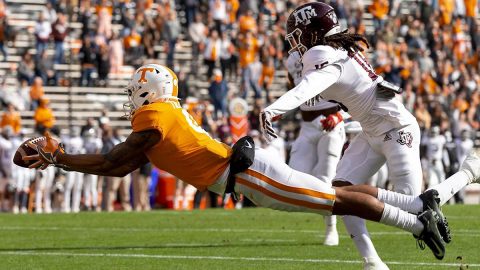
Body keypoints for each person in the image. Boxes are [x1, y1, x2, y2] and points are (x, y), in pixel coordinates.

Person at [23, 64, 480, 263]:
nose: (131, 102)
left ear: (147, 92)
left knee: (332, 202)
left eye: (134, 93)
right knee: (334, 196)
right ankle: (416, 204)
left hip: (248, 174)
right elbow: (120, 166)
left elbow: (111, 160)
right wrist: (61, 158)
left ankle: (416, 223)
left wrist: (58, 156)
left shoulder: (154, 114)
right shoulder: (165, 114)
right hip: (248, 171)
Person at [256, 3, 472, 269]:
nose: (295, 43)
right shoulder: (336, 49)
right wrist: (342, 117)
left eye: (298, 35)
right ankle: (373, 263)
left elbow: (310, 87)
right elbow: (361, 95)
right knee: (340, 194)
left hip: (396, 129)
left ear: (313, 32)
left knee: (409, 205)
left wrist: (273, 109)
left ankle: (469, 172)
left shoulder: (322, 52)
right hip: (371, 131)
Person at [286, 51, 346, 246]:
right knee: (293, 177)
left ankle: (331, 228)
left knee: (325, 178)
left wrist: (340, 117)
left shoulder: (329, 53)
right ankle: (325, 209)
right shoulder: (292, 60)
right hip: (307, 126)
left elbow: (355, 91)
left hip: (332, 123)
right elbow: (293, 91)